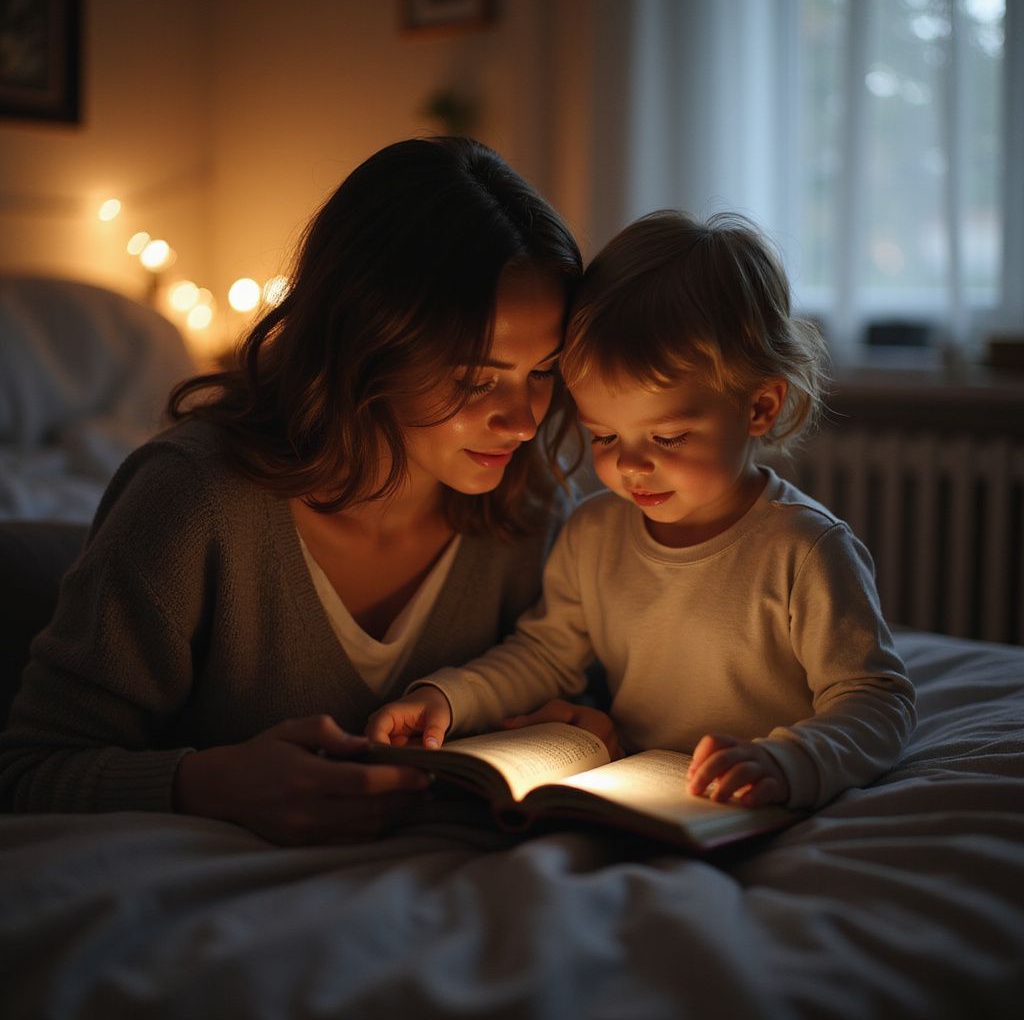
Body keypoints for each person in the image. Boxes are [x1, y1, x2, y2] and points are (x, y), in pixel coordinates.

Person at [0, 136, 583, 844]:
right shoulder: (193, 500)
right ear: (366, 344)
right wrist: (204, 783)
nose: (522, 422)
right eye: (473, 379)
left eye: (542, 372)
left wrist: (584, 725)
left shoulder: (528, 507)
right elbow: (27, 772)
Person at [367, 210, 917, 812]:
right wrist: (446, 700)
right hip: (643, 797)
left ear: (759, 407)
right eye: (604, 438)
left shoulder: (805, 549)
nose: (630, 467)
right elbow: (547, 655)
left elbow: (877, 699)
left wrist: (792, 761)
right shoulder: (592, 533)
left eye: (668, 439)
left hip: (762, 804)